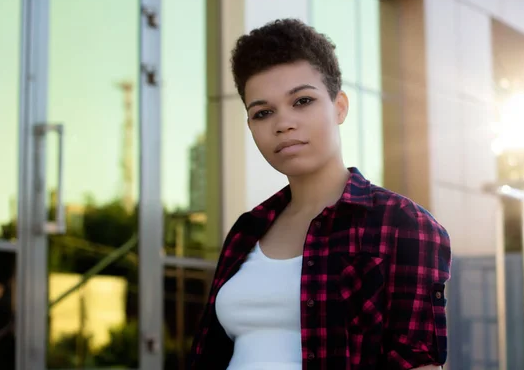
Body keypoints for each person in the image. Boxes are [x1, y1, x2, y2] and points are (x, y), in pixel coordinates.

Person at [188, 18, 451, 370]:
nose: (283, 123)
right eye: (263, 112)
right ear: (251, 125)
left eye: (302, 101)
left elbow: (419, 364)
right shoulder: (247, 230)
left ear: (339, 106)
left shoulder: (404, 225)